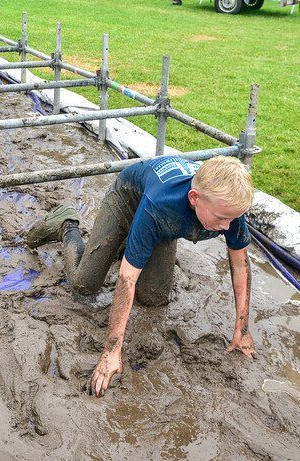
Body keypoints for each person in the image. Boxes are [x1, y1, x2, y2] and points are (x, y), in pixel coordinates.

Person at [24, 155, 256, 398]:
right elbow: (127, 278)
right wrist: (111, 351)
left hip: (164, 225)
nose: (228, 227)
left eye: (232, 219)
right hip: (126, 201)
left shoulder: (229, 211)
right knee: (85, 284)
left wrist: (242, 328)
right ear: (194, 198)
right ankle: (66, 224)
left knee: (154, 298)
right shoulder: (162, 205)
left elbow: (240, 266)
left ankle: (130, 246)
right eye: (221, 219)